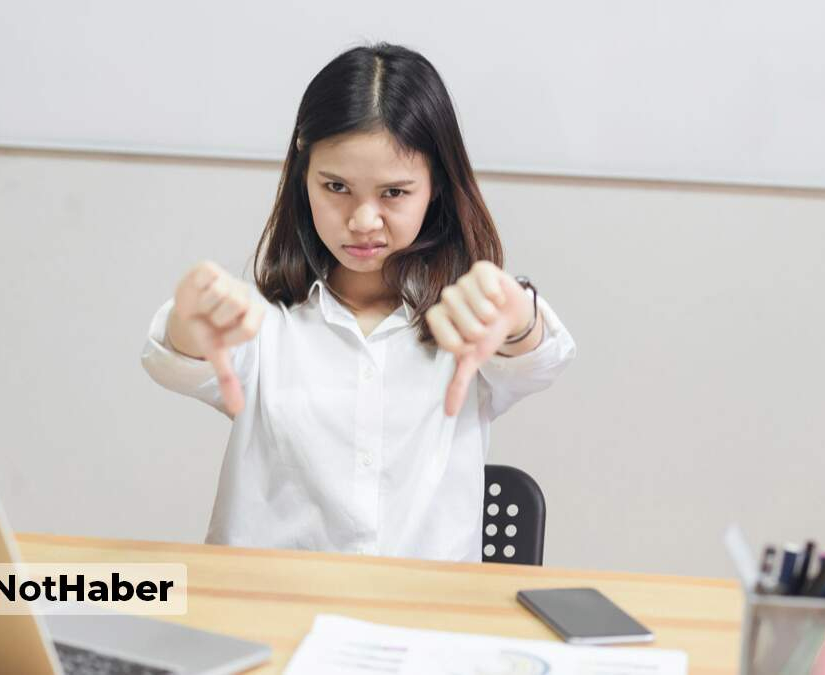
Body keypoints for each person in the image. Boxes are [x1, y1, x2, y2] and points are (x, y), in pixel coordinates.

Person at [140, 42, 576, 562]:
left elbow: (538, 356)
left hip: (420, 619)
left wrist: (517, 316)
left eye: (394, 192)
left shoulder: (465, 327)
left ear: (435, 186)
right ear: (303, 179)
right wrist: (190, 320)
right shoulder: (267, 322)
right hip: (267, 609)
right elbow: (178, 362)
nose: (363, 220)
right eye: (337, 187)